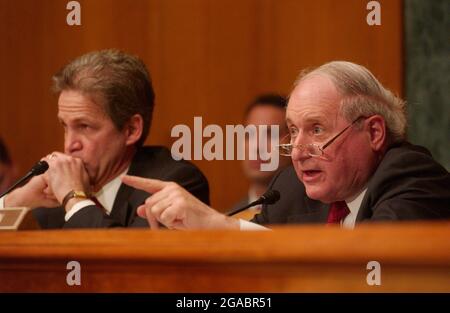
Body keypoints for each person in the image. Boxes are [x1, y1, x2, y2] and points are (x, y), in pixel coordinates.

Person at [122, 61, 450, 230]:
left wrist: (219, 225)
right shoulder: (291, 188)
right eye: (293, 131)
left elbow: (366, 270)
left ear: (374, 133)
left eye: (317, 129)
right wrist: (194, 234)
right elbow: (258, 261)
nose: (297, 150)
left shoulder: (413, 178)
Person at [0, 49, 209, 228]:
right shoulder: (53, 199)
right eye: (65, 126)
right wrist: (14, 202)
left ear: (131, 130)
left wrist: (75, 200)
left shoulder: (174, 183)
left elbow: (130, 266)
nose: (69, 145)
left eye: (85, 127)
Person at [230, 94, 290, 220]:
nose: (257, 147)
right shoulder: (230, 217)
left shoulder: (316, 216)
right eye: (249, 135)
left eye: (270, 135)